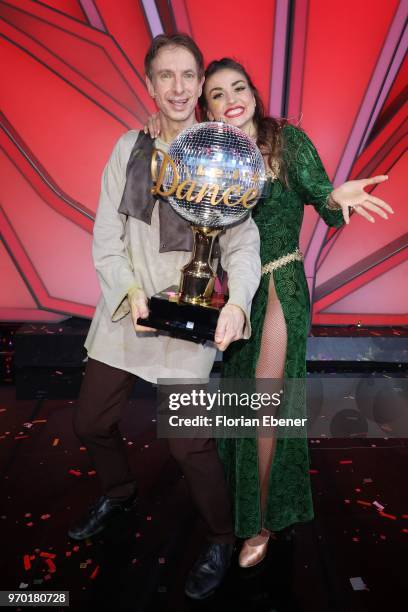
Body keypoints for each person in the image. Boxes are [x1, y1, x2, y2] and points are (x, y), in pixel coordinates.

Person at [145, 56, 393, 568]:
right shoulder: (205, 153)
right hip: (235, 293)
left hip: (279, 283)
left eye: (239, 88)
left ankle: (260, 523)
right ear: (205, 107)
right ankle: (242, 503)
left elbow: (324, 201)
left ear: (254, 97)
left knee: (264, 401)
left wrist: (337, 197)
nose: (231, 98)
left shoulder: (287, 143)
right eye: (216, 93)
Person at [69, 38, 261, 600]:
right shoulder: (128, 147)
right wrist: (131, 296)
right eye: (165, 77)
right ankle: (120, 491)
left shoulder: (223, 151)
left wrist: (239, 301)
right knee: (89, 423)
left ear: (200, 83)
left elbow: (242, 244)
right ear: (149, 84)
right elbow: (106, 238)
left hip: (190, 319)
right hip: (128, 311)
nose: (178, 88)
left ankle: (221, 537)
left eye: (187, 76)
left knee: (189, 445)